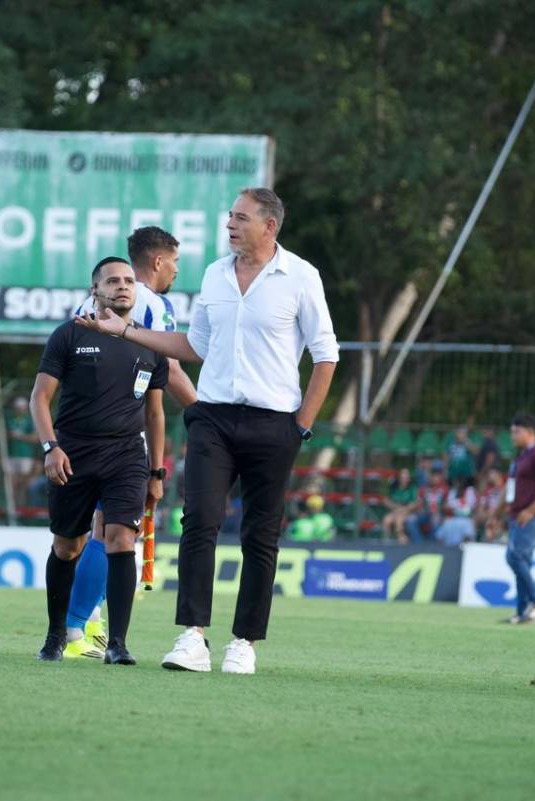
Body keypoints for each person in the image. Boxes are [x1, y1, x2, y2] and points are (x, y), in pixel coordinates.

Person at [76, 187, 338, 674]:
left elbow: (326, 355)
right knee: (199, 521)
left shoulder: (301, 277)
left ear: (269, 225)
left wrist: (301, 426)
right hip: (213, 417)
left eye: (241, 218)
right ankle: (191, 637)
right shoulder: (216, 274)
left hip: (275, 422)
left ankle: (244, 642)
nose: (231, 225)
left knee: (261, 535)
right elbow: (193, 346)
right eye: (230, 217)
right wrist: (124, 331)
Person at [62, 226, 198, 659]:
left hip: (82, 431)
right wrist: (205, 413)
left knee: (94, 534)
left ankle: (87, 628)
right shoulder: (152, 303)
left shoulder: (92, 300)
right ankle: (72, 630)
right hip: (119, 437)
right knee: (109, 534)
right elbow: (169, 370)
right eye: (174, 262)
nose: (176, 270)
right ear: (158, 262)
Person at [32, 257, 168, 666]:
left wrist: (156, 471)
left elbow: (156, 413)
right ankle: (57, 634)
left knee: (121, 539)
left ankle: (118, 644)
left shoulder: (150, 342)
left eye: (129, 280)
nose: (123, 286)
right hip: (73, 454)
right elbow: (39, 398)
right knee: (67, 546)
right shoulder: (70, 334)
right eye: (112, 281)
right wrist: (50, 447)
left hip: (127, 455)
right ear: (95, 289)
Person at [502, 414, 535, 625]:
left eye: (516, 431)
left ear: (530, 432)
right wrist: (498, 514)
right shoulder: (521, 457)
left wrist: (531, 510)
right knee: (520, 560)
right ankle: (521, 611)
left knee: (514, 557)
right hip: (517, 516)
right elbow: (510, 489)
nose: (512, 436)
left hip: (532, 517)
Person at [7, 397, 37, 507]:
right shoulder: (9, 420)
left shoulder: (29, 421)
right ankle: (12, 507)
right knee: (12, 484)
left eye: (22, 408)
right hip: (11, 455)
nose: (20, 410)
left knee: (22, 484)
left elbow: (35, 438)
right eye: (18, 408)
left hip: (25, 456)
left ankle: (22, 508)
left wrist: (19, 436)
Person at [381, 468, 419, 544]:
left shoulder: (412, 488)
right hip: (395, 510)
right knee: (386, 520)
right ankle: (387, 541)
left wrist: (404, 509)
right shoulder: (394, 487)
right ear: (399, 478)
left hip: (408, 512)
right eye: (403, 477)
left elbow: (415, 503)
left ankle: (401, 540)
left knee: (399, 519)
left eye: (407, 477)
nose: (405, 479)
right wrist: (395, 507)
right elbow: (386, 500)